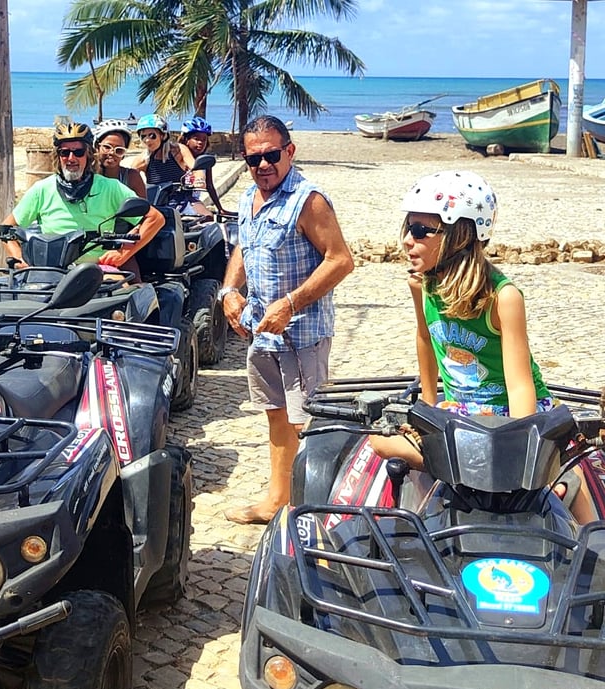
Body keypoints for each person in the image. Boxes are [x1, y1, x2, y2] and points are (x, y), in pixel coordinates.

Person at [370, 169, 596, 523]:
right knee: (379, 443)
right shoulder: (422, 286)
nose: (406, 242)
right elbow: (425, 338)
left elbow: (520, 383)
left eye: (419, 231)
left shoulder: (502, 297)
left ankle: (592, 542)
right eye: (407, 229)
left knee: (568, 478)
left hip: (508, 411)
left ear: (458, 235)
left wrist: (523, 445)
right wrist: (426, 406)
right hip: (460, 410)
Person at [220, 114, 355, 525]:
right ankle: (278, 499)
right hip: (262, 335)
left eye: (271, 156)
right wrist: (229, 292)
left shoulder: (309, 200)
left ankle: (310, 508)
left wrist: (291, 304)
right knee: (277, 415)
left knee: (307, 422)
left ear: (290, 152)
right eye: (253, 159)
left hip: (303, 334)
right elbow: (245, 246)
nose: (263, 165)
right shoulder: (249, 199)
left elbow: (341, 260)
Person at [1, 121, 164, 281]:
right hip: (50, 271)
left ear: (88, 154)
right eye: (65, 153)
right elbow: (7, 228)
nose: (71, 158)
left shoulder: (111, 187)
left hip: (98, 269)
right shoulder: (42, 189)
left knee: (122, 295)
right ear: (58, 155)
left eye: (78, 152)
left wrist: (124, 253)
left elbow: (155, 218)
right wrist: (20, 258)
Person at [178, 116, 237, 217]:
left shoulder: (205, 160)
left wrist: (220, 208)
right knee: (207, 217)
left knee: (208, 218)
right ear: (186, 140)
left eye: (204, 140)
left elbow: (209, 185)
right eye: (196, 139)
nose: (201, 142)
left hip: (193, 200)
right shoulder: (178, 157)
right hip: (177, 200)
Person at [93, 119, 147, 199]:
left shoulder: (132, 178)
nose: (112, 152)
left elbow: (144, 208)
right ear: (97, 147)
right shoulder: (87, 177)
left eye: (119, 150)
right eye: (107, 147)